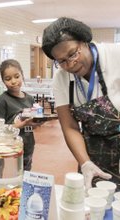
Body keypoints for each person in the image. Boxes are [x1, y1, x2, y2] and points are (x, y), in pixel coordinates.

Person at [42, 17, 120, 191]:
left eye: (72, 54)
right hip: (94, 158)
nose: (70, 64)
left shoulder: (115, 56)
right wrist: (85, 163)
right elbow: (69, 126)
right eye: (61, 61)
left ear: (85, 42)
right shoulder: (61, 78)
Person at [0, 59, 40, 171]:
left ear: (22, 75)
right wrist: (21, 125)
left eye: (17, 76)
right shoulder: (1, 101)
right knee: (12, 177)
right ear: (3, 81)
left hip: (28, 145)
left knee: (26, 172)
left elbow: (30, 125)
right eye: (8, 79)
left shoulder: (29, 98)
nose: (13, 81)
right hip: (10, 148)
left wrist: (36, 123)